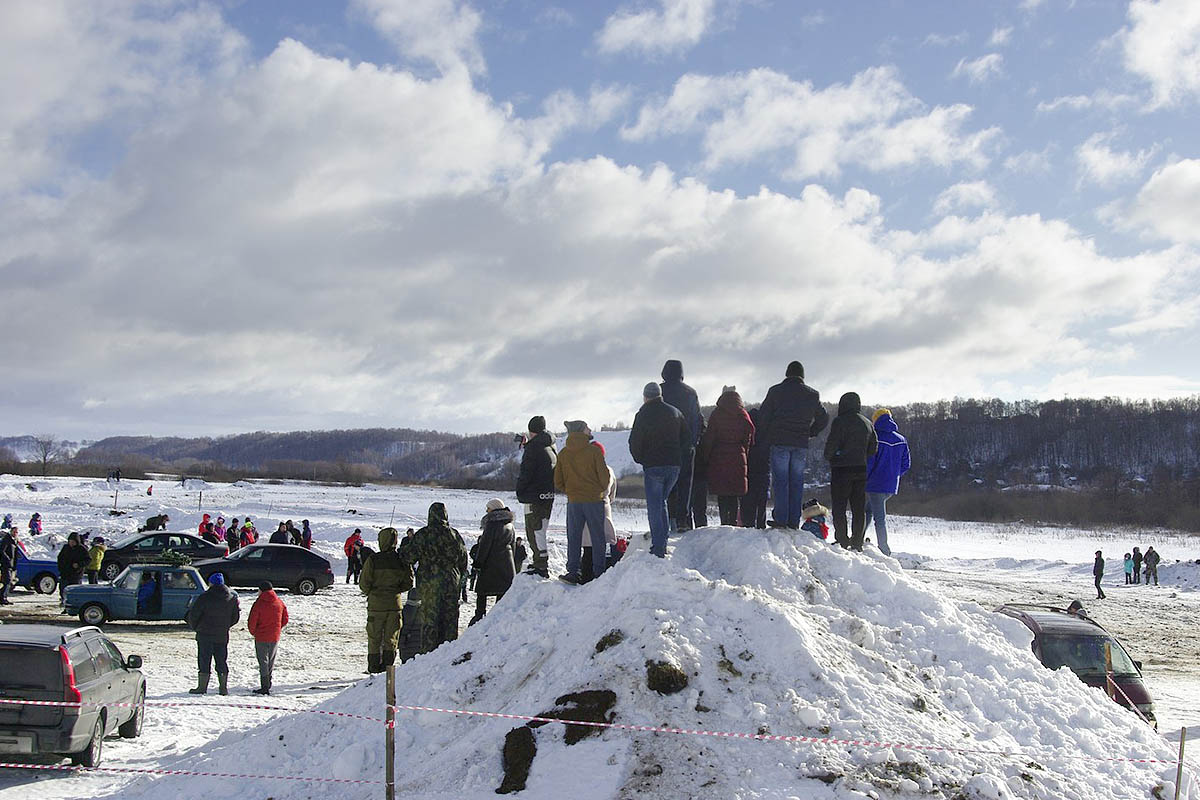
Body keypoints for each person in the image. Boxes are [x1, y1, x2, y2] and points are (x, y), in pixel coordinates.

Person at [757, 361, 830, 529]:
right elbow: (824, 418)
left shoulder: (775, 391)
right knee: (796, 482)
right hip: (800, 444)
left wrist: (769, 434)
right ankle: (793, 521)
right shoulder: (812, 394)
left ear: (787, 374)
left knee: (781, 481)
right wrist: (811, 431)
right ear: (802, 376)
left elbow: (763, 416)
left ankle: (781, 519)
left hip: (780, 442)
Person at [629, 385, 690, 558]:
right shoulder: (675, 412)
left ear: (645, 397)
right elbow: (687, 439)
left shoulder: (642, 415)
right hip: (674, 466)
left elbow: (635, 442)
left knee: (655, 506)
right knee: (661, 502)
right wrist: (678, 457)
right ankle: (662, 540)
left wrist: (642, 459)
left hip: (654, 465)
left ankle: (658, 547)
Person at [399, 505, 467, 655]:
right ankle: (448, 656)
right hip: (451, 583)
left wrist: (401, 550)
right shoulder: (454, 535)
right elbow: (464, 560)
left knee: (430, 622)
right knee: (450, 621)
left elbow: (409, 557)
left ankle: (428, 657)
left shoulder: (423, 534)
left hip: (429, 585)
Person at [555, 420, 611, 583]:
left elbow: (558, 480)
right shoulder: (593, 452)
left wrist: (571, 491)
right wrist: (598, 491)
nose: (590, 430)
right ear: (581, 430)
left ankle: (572, 571)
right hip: (594, 500)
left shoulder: (564, 453)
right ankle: (599, 572)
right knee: (597, 537)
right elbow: (605, 477)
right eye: (587, 428)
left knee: (574, 537)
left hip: (573, 501)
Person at [698, 386, 756, 526]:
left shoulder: (717, 414)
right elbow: (748, 439)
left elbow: (709, 438)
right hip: (738, 456)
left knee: (722, 493)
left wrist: (706, 457)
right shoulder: (743, 415)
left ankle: (724, 522)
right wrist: (744, 455)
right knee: (734, 494)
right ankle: (733, 523)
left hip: (719, 457)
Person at [659, 360, 703, 532]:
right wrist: (693, 442)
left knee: (667, 484)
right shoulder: (690, 393)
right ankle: (683, 520)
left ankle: (668, 519)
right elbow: (696, 419)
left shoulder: (660, 391)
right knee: (685, 483)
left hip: (664, 446)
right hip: (685, 446)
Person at [863, 409, 911, 557]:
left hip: (875, 483)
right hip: (890, 485)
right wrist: (894, 475)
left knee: (879, 518)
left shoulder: (875, 438)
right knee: (868, 510)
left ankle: (884, 549)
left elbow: (870, 462)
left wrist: (865, 478)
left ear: (876, 420)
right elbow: (906, 464)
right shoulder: (901, 439)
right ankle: (859, 537)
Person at [514, 415, 556, 579]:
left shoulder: (533, 449)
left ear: (531, 431)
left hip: (534, 496)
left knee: (534, 531)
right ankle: (540, 562)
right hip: (547, 495)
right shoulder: (550, 445)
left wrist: (520, 491)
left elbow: (527, 472)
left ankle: (540, 565)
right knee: (541, 530)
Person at [185, 572, 240, 695]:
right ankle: (223, 688)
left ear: (211, 583)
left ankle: (202, 687)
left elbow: (194, 615)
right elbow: (235, 617)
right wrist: (225, 626)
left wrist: (196, 627)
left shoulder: (204, 597)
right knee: (221, 660)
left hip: (204, 634)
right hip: (222, 635)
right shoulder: (231, 598)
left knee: (204, 660)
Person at [470, 499, 518, 624]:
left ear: (494, 509)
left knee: (481, 591)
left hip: (491, 564)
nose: (487, 511)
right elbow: (513, 547)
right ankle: (498, 617)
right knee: (501, 593)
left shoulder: (492, 524)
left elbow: (485, 546)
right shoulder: (510, 524)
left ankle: (479, 616)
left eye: (488, 508)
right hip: (507, 565)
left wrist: (478, 563)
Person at [580, 442, 618, 583]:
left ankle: (586, 578)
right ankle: (601, 579)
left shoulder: (582, 470)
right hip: (603, 512)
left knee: (587, 551)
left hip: (585, 513)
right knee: (602, 549)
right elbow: (612, 494)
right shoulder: (609, 471)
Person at [247, 580, 289, 695]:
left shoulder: (259, 603)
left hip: (261, 637)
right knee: (270, 660)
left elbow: (252, 621)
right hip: (274, 636)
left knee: (263, 661)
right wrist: (277, 628)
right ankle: (268, 682)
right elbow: (285, 619)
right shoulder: (279, 602)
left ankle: (264, 686)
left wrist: (254, 632)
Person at [740, 408, 769, 529]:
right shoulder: (766, 433)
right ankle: (761, 524)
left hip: (748, 470)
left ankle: (747, 523)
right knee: (761, 500)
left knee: (747, 499)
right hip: (763, 470)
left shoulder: (746, 432)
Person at [56, 533, 89, 603]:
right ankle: (64, 603)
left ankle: (75, 604)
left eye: (73, 542)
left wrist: (79, 564)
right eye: (70, 541)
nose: (71, 543)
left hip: (76, 575)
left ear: (77, 541)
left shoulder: (82, 549)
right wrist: (61, 568)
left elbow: (88, 560)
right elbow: (60, 558)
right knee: (63, 590)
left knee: (74, 591)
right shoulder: (66, 547)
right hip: (65, 573)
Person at [0, 525, 17, 605]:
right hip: (6, 564)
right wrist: (8, 559)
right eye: (14, 532)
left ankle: (4, 597)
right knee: (7, 581)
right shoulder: (7, 539)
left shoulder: (13, 540)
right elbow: (2, 551)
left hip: (11, 565)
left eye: (17, 532)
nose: (16, 533)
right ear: (11, 532)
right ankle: (2, 598)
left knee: (8, 582)